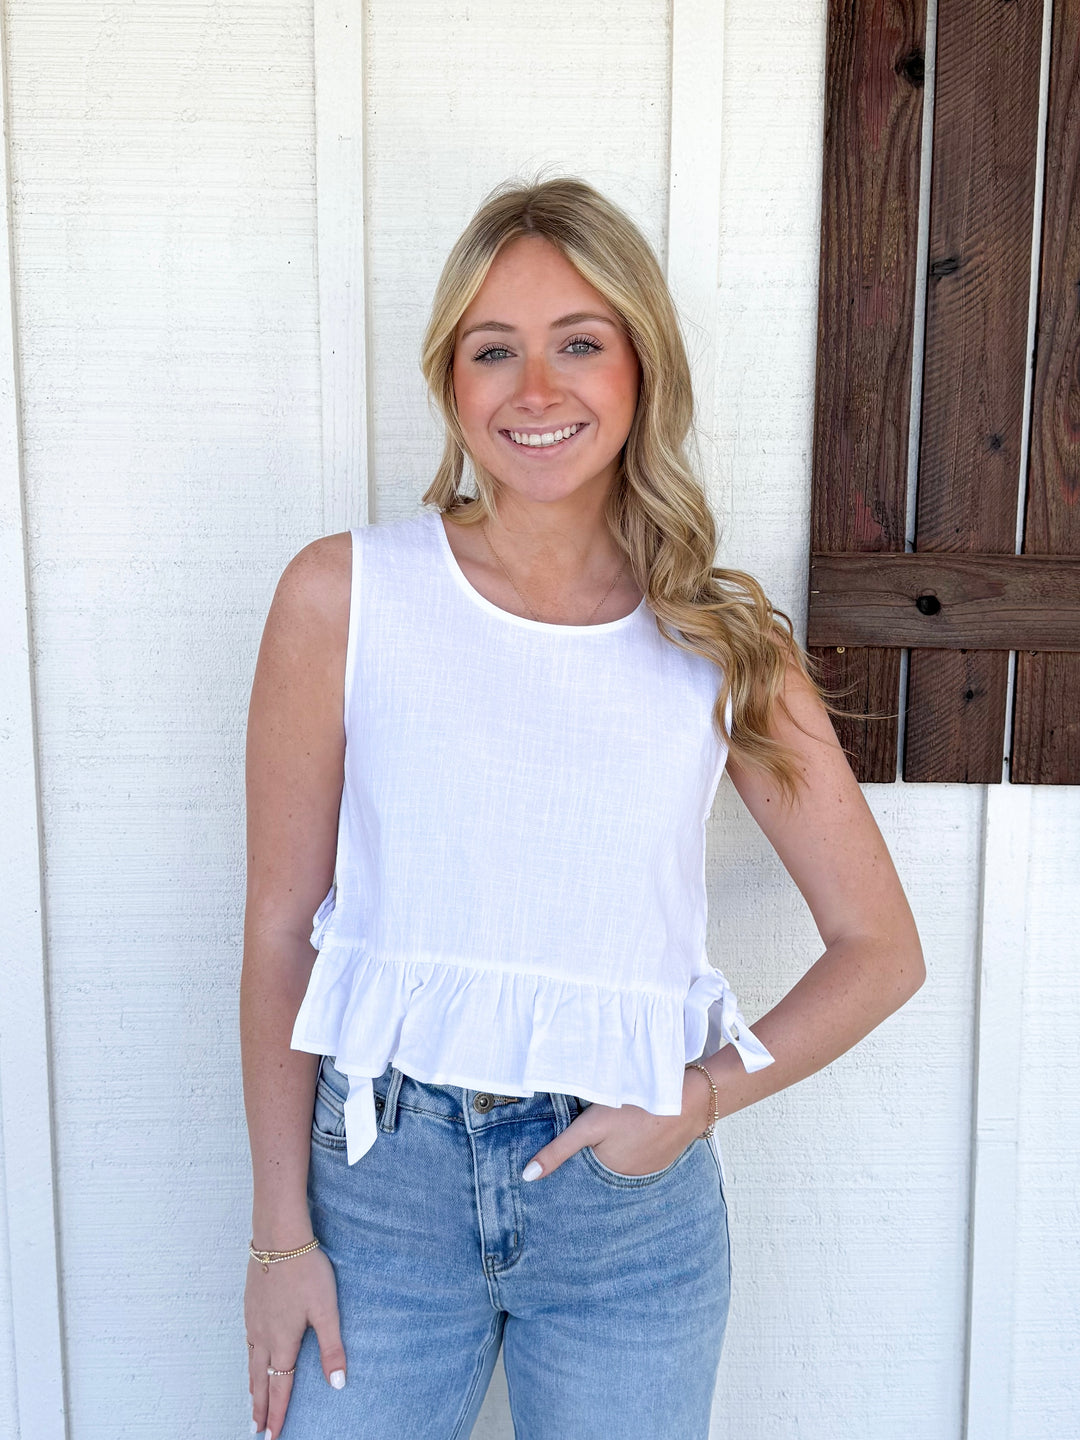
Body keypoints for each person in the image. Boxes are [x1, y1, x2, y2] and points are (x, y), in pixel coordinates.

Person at [240, 175, 925, 1440]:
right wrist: (281, 1235)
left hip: (627, 1218)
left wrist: (700, 1098)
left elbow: (881, 949)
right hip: (382, 1189)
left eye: (579, 343)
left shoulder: (722, 640)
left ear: (641, 366)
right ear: (452, 380)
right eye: (493, 349)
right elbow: (283, 929)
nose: (535, 389)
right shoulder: (344, 598)